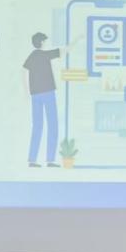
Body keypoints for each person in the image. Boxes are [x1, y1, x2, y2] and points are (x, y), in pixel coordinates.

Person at [22, 32, 78, 167]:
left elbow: (23, 71)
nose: (46, 43)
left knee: (37, 126)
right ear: (41, 42)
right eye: (45, 41)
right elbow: (65, 50)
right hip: (48, 93)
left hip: (35, 94)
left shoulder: (32, 56)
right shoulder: (45, 55)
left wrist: (26, 91)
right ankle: (50, 160)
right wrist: (77, 39)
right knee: (52, 125)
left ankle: (32, 160)